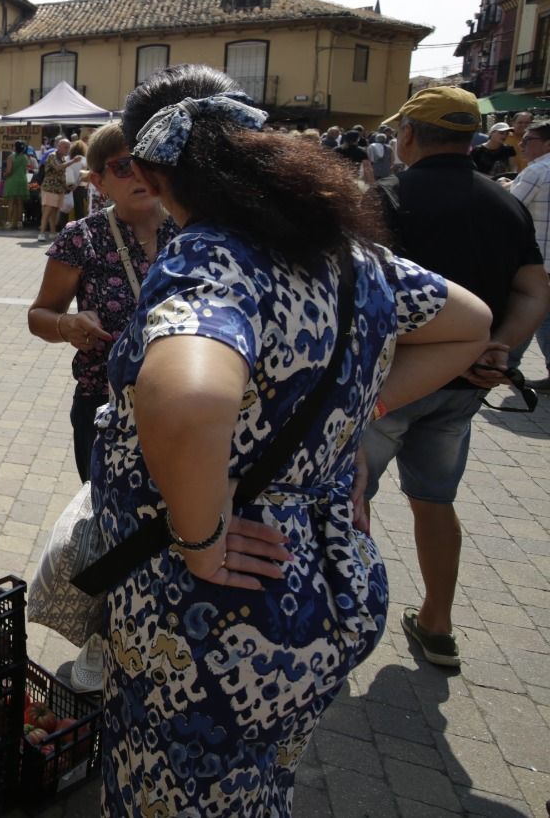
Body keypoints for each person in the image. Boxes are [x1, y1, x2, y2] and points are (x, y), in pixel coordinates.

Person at [92, 63, 492, 815]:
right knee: (257, 786)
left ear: (151, 172)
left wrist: (200, 534)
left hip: (215, 612)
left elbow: (186, 396)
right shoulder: (349, 257)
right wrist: (349, 411)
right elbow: (469, 323)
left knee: (175, 798)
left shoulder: (210, 255)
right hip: (320, 586)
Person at [362, 88, 549, 667]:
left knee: (348, 501)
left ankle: (345, 618)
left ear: (411, 133)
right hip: (465, 388)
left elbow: (363, 299)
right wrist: (496, 348)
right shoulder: (503, 202)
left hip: (389, 388)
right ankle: (437, 622)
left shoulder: (388, 197)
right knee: (435, 501)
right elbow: (534, 290)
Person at [28, 121, 178, 482]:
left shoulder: (193, 231)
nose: (140, 175)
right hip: (105, 405)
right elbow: (39, 316)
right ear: (98, 182)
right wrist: (67, 326)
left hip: (184, 405)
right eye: (124, 166)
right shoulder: (82, 237)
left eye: (149, 162)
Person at [511, 118, 550, 387]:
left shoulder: (537, 171)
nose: (522, 144)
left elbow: (511, 206)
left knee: (524, 309)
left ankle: (506, 364)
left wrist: (502, 188)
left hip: (536, 263)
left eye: (529, 140)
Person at [37, 137, 71, 239]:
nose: (67, 149)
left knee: (55, 211)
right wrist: (72, 161)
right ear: (59, 147)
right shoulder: (52, 156)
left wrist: (67, 187)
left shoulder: (63, 158)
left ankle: (53, 232)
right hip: (50, 188)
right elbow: (58, 167)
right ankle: (41, 233)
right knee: (47, 211)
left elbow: (62, 175)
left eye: (68, 147)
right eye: (65, 147)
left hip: (59, 189)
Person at [65, 139, 90, 222]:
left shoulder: (67, 159)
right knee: (79, 208)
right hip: (80, 186)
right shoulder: (85, 160)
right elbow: (84, 174)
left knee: (66, 208)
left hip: (67, 186)